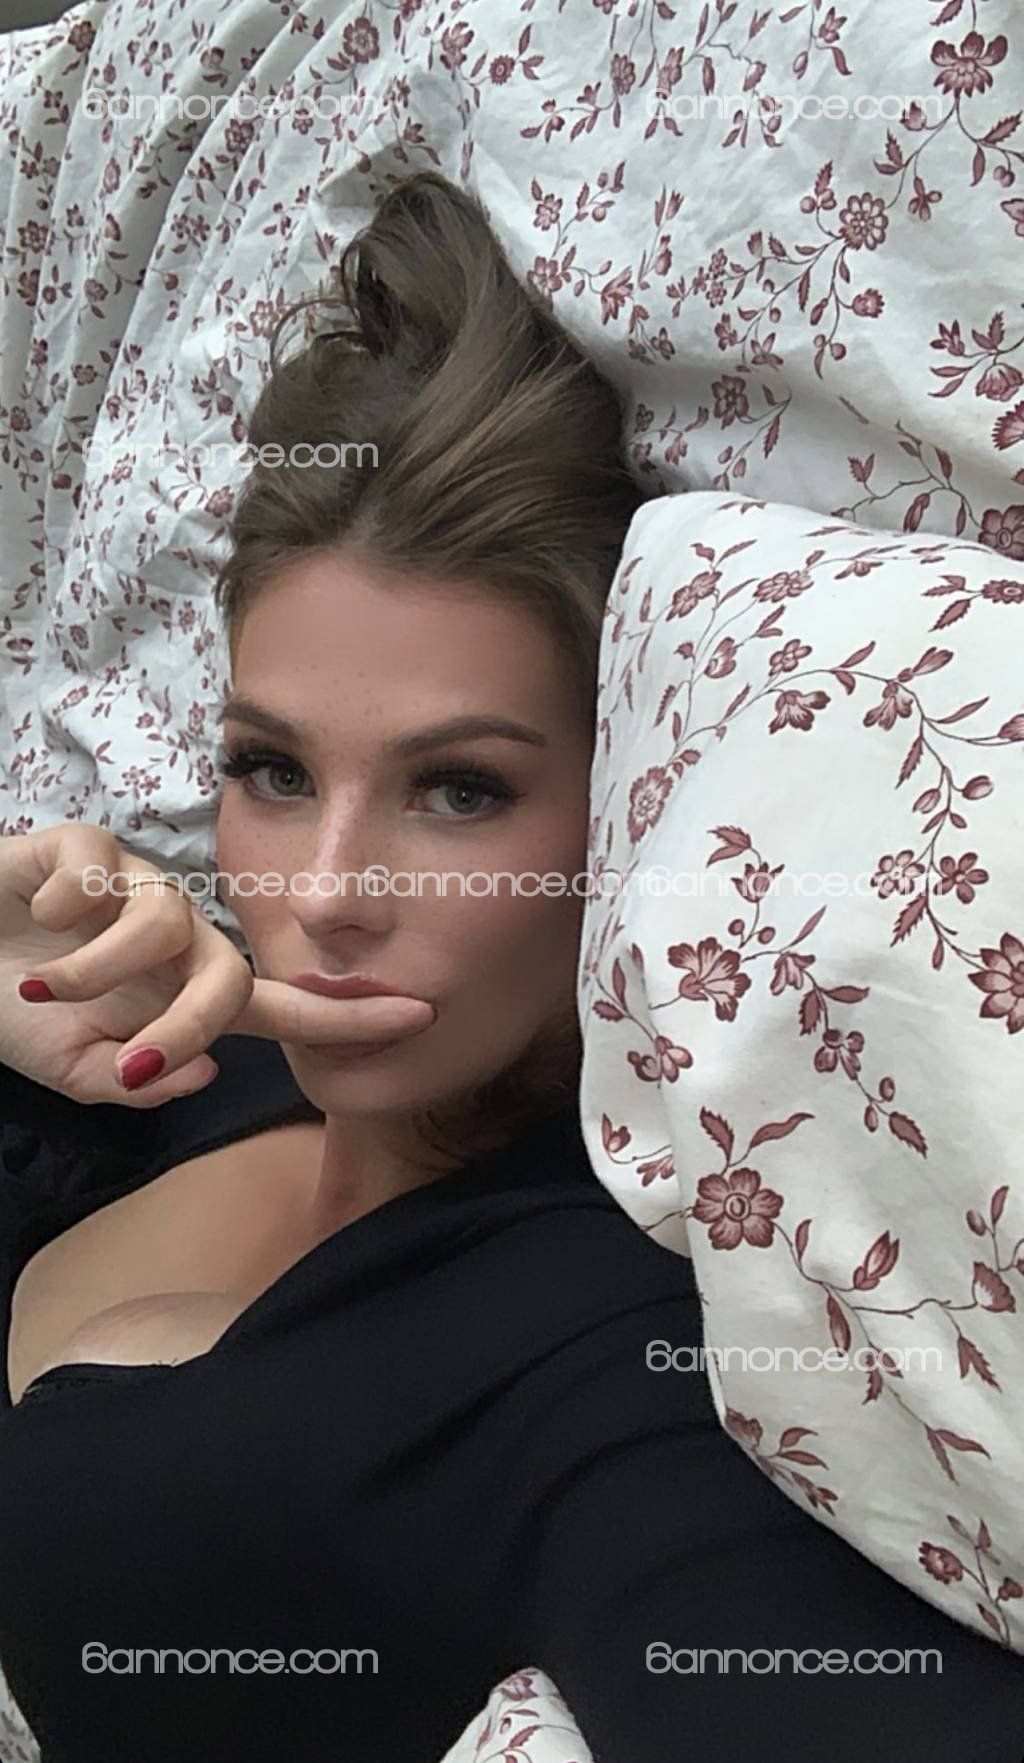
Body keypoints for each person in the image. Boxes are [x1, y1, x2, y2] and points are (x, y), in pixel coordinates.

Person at [0, 173, 1021, 1763]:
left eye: (461, 790)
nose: (322, 897)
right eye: (274, 770)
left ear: (630, 807)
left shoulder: (608, 1352)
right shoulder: (182, 1055)